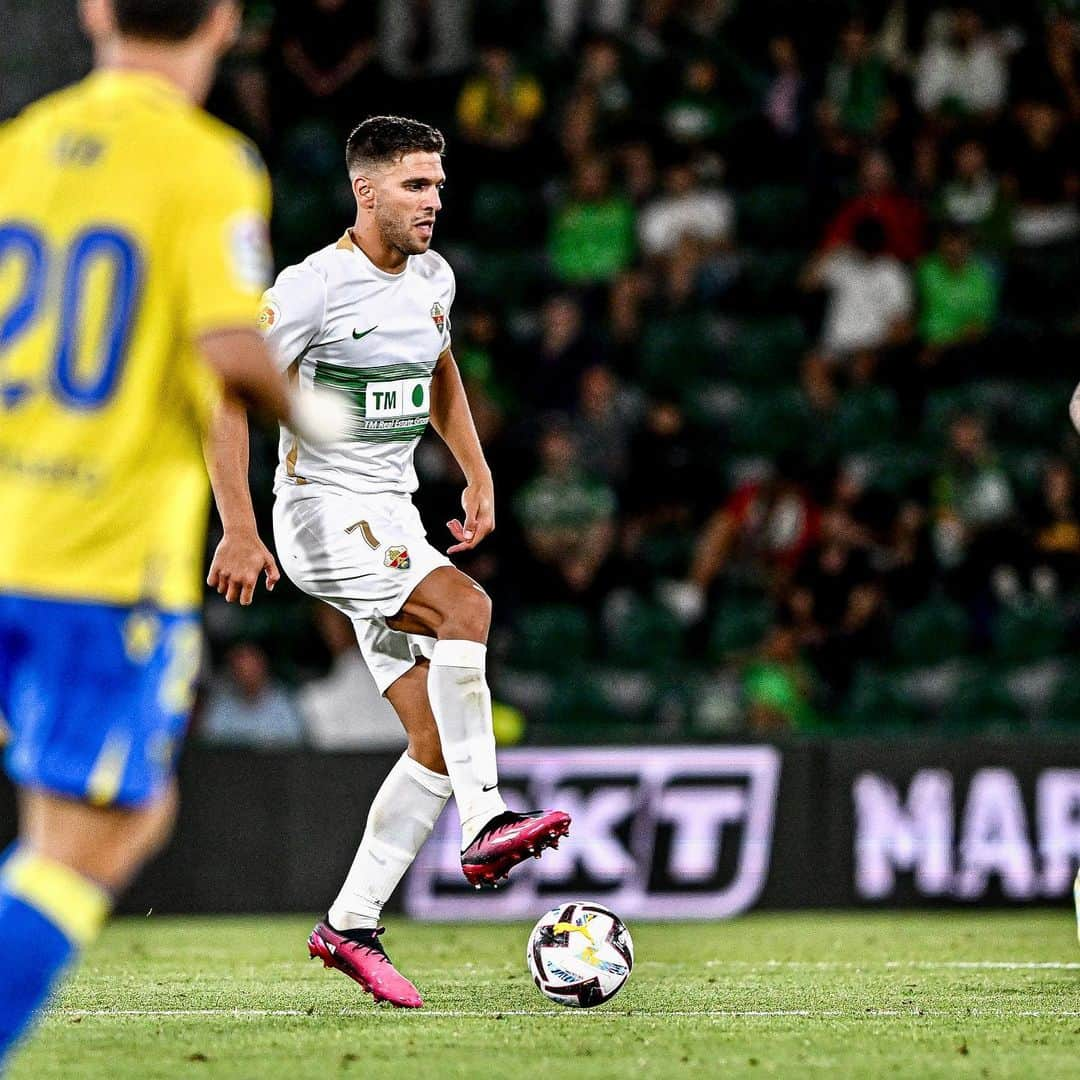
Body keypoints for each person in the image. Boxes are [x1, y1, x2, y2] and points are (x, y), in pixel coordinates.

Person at [0, 0, 347, 1067]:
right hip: (99, 565)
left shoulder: (21, 145)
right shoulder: (205, 164)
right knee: (100, 837)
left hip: (12, 531)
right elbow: (231, 352)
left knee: (63, 832)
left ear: (96, 10)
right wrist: (335, 426)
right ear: (228, 21)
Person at [206, 115, 570, 1009]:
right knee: (467, 610)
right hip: (324, 518)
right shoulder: (313, 289)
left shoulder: (434, 278)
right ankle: (487, 820)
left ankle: (350, 925)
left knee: (434, 743)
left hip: (393, 514)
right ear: (365, 192)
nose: (433, 202)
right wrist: (239, 527)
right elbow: (226, 400)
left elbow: (439, 368)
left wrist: (477, 469)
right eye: (415, 186)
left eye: (439, 186)